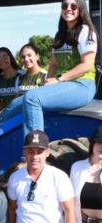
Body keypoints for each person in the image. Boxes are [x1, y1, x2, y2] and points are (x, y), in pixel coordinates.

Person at [20, 0, 98, 137]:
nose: (68, 9)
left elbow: (87, 65)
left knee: (32, 98)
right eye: (65, 6)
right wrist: (48, 81)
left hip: (82, 85)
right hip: (64, 84)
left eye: (73, 6)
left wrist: (59, 79)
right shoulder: (60, 35)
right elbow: (54, 65)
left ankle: (35, 149)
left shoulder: (85, 31)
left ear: (80, 9)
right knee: (17, 103)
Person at [0, 43, 47, 125]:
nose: (26, 59)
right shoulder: (20, 78)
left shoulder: (46, 76)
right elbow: (15, 101)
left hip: (40, 117)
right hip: (21, 116)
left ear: (37, 56)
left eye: (29, 55)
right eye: (23, 57)